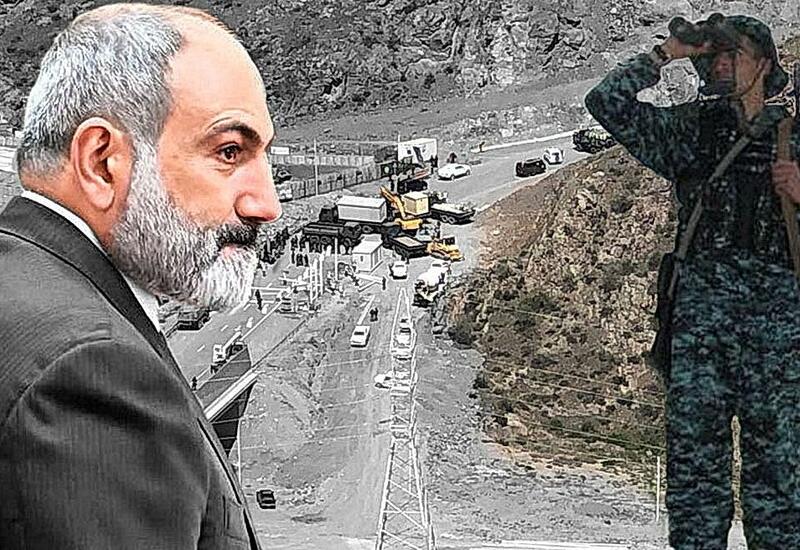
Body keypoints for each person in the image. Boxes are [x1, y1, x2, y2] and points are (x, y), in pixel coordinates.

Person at [0, 4, 281, 549]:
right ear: (102, 163)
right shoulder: (92, 370)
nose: (266, 204)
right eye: (229, 152)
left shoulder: (20, 276)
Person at [585, 14, 800, 549]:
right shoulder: (692, 131)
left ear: (765, 64)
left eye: (733, 55)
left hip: (779, 333)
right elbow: (606, 104)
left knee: (779, 481)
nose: (721, 65)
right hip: (702, 330)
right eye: (713, 57)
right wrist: (667, 54)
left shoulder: (795, 139)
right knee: (695, 478)